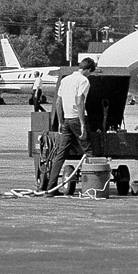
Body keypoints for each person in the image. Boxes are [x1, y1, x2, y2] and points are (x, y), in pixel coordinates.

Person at [42, 58, 95, 192]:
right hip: (77, 118)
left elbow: (58, 103)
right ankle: (92, 186)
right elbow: (79, 101)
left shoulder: (65, 80)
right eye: (90, 72)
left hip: (66, 120)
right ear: (88, 70)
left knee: (60, 154)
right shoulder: (83, 80)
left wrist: (61, 122)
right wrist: (83, 124)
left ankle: (50, 189)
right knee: (89, 152)